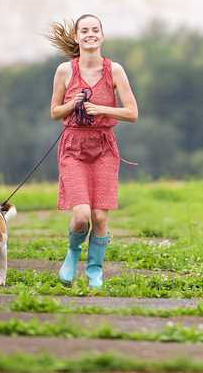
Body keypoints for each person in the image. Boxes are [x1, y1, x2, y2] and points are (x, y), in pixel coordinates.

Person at [48, 14, 138, 289]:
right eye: (84, 30)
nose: (90, 34)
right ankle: (73, 254)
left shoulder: (115, 70)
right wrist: (72, 104)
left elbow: (132, 113)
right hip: (73, 147)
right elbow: (54, 112)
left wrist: (101, 109)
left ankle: (95, 269)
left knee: (100, 216)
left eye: (95, 30)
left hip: (104, 148)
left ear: (102, 35)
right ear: (77, 37)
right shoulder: (65, 71)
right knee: (81, 215)